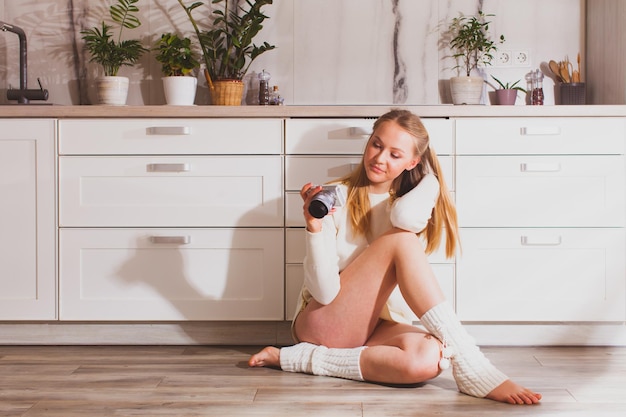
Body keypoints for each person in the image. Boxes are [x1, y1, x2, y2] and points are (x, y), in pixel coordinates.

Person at [249, 109, 541, 405]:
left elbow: (403, 216)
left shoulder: (411, 205)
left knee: (428, 360)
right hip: (323, 320)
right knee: (401, 241)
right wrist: (314, 227)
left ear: (413, 162)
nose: (380, 159)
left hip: (376, 325)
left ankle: (304, 359)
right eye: (376, 144)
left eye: (395, 155)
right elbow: (323, 292)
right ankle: (471, 361)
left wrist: (431, 180)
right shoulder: (335, 195)